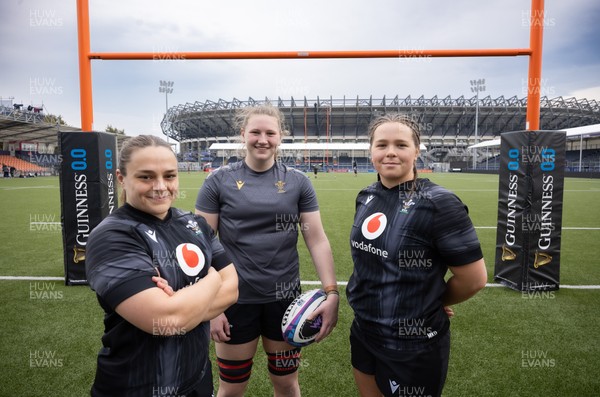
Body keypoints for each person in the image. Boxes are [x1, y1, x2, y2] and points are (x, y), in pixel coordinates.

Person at [195, 104, 339, 397]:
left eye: (270, 133)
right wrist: (210, 307)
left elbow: (316, 239)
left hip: (285, 303)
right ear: (243, 134)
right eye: (255, 132)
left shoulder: (298, 181)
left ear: (280, 137)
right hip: (232, 300)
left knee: (286, 383)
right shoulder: (217, 181)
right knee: (232, 387)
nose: (263, 139)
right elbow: (202, 244)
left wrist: (332, 292)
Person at [346, 114, 487, 397]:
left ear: (416, 151)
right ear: (371, 151)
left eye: (401, 145)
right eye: (381, 145)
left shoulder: (439, 203)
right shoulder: (366, 195)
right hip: (364, 330)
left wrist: (432, 301)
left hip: (412, 343)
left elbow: (473, 279)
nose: (390, 152)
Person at [86, 135, 238, 397]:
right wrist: (211, 280)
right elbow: (166, 320)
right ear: (121, 178)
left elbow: (233, 289)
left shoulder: (194, 224)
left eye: (169, 176)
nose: (160, 186)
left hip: (198, 380)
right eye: (145, 177)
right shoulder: (112, 236)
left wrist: (180, 303)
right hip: (135, 387)